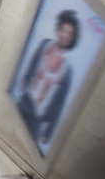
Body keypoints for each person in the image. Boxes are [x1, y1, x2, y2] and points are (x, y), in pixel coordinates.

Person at [17, 10, 79, 145]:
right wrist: (24, 81)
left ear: (73, 38)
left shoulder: (68, 69)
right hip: (25, 101)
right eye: (64, 30)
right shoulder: (44, 44)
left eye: (70, 33)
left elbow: (59, 104)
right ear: (58, 29)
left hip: (38, 118)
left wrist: (48, 133)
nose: (65, 35)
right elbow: (31, 64)